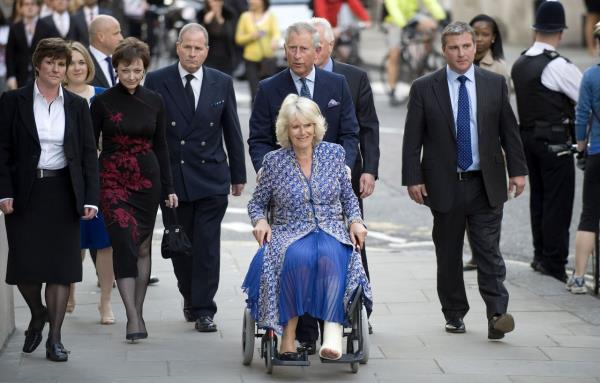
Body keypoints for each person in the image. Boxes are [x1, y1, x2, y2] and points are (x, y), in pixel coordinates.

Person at [402, 21, 528, 339]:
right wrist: (412, 178)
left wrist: (518, 170)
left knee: (488, 251)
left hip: (486, 182)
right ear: (444, 51)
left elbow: (509, 132)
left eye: (466, 46)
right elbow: (411, 139)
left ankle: (497, 314)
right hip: (444, 183)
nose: (461, 53)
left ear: (475, 47)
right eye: (454, 48)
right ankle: (454, 312)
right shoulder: (424, 87)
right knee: (449, 252)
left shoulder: (494, 84)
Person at [244, 94, 372, 360]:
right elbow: (256, 204)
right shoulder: (274, 162)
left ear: (316, 127)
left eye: (307, 125)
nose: (302, 132)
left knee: (332, 256)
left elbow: (349, 198)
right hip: (290, 231)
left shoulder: (335, 154)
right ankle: (288, 339)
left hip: (330, 228)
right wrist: (260, 220)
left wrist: (356, 221)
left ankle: (333, 332)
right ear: (286, 130)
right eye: (295, 126)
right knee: (297, 259)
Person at [0, 37, 99, 361]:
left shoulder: (76, 105)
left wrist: (90, 198)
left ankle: (54, 339)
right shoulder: (13, 101)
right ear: (37, 64)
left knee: (60, 269)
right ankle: (38, 313)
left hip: (64, 193)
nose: (57, 69)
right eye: (51, 63)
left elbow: (87, 154)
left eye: (62, 64)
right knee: (25, 270)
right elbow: (2, 150)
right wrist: (4, 192)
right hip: (26, 193)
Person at [144, 23, 246, 332]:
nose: (192, 53)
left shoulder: (221, 81)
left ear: (206, 51)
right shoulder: (158, 80)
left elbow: (232, 130)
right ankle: (189, 295)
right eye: (187, 46)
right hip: (174, 179)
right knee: (180, 246)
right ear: (177, 47)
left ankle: (204, 308)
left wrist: (238, 174)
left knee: (207, 245)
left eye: (198, 48)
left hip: (212, 176)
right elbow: (151, 133)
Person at [91, 37, 177, 341]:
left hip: (147, 180)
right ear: (116, 68)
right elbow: (90, 146)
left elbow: (162, 145)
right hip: (112, 180)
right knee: (123, 242)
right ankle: (131, 315)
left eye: (137, 71)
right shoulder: (101, 102)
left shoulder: (155, 100)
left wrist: (168, 187)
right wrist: (91, 189)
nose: (131, 76)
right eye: (126, 70)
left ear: (144, 70)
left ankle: (138, 313)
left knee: (142, 245)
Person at [307, 15, 378, 342]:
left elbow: (367, 129)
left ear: (331, 45)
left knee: (353, 242)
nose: (313, 52)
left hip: (345, 174)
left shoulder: (354, 77)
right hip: (302, 180)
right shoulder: (294, 79)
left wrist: (368, 169)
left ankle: (360, 309)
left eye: (319, 46)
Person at [511, 1, 582, 282]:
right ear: (560, 32)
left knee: (539, 198)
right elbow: (586, 97)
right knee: (558, 202)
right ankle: (553, 262)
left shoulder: (521, 61)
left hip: (528, 139)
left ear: (536, 29)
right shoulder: (559, 65)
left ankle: (540, 255)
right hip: (555, 141)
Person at [248, 21, 359, 174]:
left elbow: (349, 132)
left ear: (316, 51)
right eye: (292, 48)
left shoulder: (337, 84)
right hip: (284, 180)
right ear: (285, 49)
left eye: (304, 49)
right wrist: (265, 171)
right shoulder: (267, 89)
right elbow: (259, 139)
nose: (297, 55)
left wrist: (344, 168)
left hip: (331, 176)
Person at [62, 40, 114, 324]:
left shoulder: (103, 96)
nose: (77, 67)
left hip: (102, 177)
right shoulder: (56, 96)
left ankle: (105, 303)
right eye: (71, 63)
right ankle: (69, 289)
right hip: (67, 179)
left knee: (105, 243)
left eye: (81, 62)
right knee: (73, 240)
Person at [462, 13, 509, 272]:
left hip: (491, 149)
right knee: (468, 207)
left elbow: (507, 114)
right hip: (465, 148)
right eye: (475, 34)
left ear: (493, 38)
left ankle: (489, 254)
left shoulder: (499, 69)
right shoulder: (460, 65)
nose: (480, 39)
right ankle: (477, 254)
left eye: (485, 34)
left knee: (491, 204)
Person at [565, 21, 600, 294]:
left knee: (589, 215)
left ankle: (578, 278)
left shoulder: (590, 76)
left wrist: (580, 146)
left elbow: (582, 116)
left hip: (597, 153)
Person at [382, 0, 446, 106]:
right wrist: (403, 25)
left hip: (411, 17)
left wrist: (441, 17)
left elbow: (430, 2)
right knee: (395, 55)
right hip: (394, 20)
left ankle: (422, 60)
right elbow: (392, 6)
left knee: (432, 26)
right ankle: (392, 91)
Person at [234, 0, 279, 102]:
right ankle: (255, 116)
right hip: (250, 60)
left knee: (269, 92)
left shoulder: (271, 17)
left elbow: (276, 34)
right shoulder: (245, 17)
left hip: (267, 60)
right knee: (254, 93)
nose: (251, 1)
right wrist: (252, 36)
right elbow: (238, 39)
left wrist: (274, 41)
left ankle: (269, 117)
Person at [5, 0, 54, 90]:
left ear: (38, 7)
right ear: (21, 8)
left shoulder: (47, 27)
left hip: (41, 74)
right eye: (26, 4)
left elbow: (51, 53)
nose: (30, 7)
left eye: (33, 4)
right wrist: (10, 76)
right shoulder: (15, 28)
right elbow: (9, 54)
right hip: (19, 75)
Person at [199, 0, 237, 75]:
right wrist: (207, 21)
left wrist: (219, 17)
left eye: (218, 1)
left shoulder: (229, 15)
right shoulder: (202, 15)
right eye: (213, 1)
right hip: (208, 58)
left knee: (225, 84)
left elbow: (233, 35)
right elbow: (199, 36)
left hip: (226, 58)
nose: (215, 3)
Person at [88, 14, 123, 88]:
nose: (121, 38)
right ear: (101, 37)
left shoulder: (122, 59)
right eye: (116, 33)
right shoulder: (82, 62)